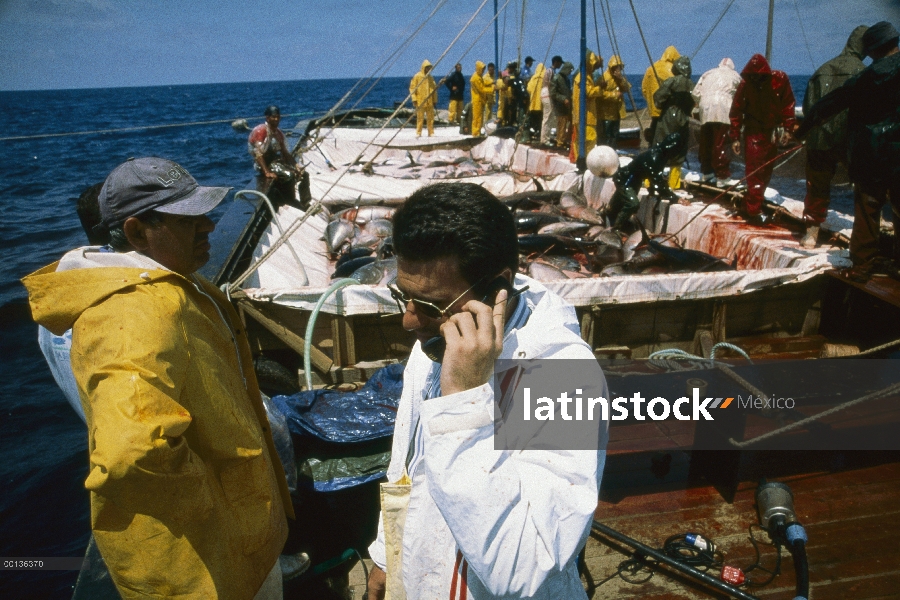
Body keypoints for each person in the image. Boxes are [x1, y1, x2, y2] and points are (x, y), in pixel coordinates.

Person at [23, 157, 294, 600]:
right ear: (134, 233)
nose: (208, 227)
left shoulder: (162, 288)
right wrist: (219, 511)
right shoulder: (137, 313)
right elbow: (132, 450)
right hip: (213, 562)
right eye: (187, 220)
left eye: (203, 214)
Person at [365, 182, 608, 599]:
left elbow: (524, 569)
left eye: (430, 305)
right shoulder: (440, 337)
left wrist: (463, 401)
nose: (408, 321)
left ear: (498, 287)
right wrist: (387, 558)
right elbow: (409, 460)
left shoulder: (559, 376)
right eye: (403, 297)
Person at [796, 21, 900, 273]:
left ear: (873, 50)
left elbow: (830, 103)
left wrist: (801, 130)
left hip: (870, 154)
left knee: (867, 208)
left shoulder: (866, 77)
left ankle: (862, 267)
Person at [798, 26, 869, 248]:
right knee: (865, 189)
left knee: (817, 187)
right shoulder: (865, 72)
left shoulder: (822, 69)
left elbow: (810, 108)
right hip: (849, 139)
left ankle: (811, 235)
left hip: (819, 138)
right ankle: (863, 237)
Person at [729, 54, 797, 224]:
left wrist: (788, 129)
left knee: (766, 172)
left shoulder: (780, 80)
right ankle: (753, 211)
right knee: (754, 172)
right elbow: (736, 111)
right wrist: (735, 137)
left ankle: (752, 203)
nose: (756, 80)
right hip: (753, 132)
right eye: (753, 77)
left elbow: (788, 104)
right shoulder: (745, 85)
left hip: (772, 132)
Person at [607, 133, 684, 231]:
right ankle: (616, 228)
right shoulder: (655, 157)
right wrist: (674, 198)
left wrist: (651, 190)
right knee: (632, 204)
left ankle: (611, 215)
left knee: (621, 201)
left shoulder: (662, 155)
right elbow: (658, 182)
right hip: (626, 179)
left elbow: (653, 176)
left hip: (635, 180)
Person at [692, 57, 743, 188]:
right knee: (721, 142)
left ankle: (707, 172)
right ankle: (722, 176)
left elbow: (695, 93)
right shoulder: (735, 76)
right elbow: (742, 95)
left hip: (705, 107)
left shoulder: (708, 73)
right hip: (724, 107)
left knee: (706, 141)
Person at [653, 56, 695, 190]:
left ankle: (651, 180)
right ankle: (674, 183)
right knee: (679, 150)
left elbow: (658, 98)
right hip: (683, 117)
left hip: (668, 116)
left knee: (660, 146)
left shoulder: (670, 81)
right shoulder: (691, 84)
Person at [642, 46, 681, 144]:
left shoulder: (650, 68)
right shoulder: (671, 69)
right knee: (666, 137)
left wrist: (650, 102)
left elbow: (644, 89)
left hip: (654, 109)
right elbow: (677, 88)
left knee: (654, 132)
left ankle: (652, 150)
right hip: (666, 110)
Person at [571, 51, 605, 161]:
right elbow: (589, 92)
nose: (594, 68)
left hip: (581, 115)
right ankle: (586, 163)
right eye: (593, 65)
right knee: (589, 140)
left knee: (581, 140)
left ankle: (581, 161)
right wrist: (600, 87)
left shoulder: (582, 76)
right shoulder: (583, 77)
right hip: (586, 115)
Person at [248, 105, 298, 179]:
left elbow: (284, 152)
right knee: (289, 176)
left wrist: (296, 165)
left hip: (275, 161)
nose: (276, 119)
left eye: (278, 117)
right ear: (268, 118)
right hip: (263, 164)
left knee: (301, 173)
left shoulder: (278, 133)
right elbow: (258, 154)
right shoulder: (261, 131)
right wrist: (266, 172)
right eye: (273, 117)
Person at [597, 55, 631, 149]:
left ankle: (613, 151)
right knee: (605, 136)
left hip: (616, 113)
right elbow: (600, 93)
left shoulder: (619, 79)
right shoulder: (604, 78)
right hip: (605, 114)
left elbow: (627, 88)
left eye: (619, 68)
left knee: (614, 135)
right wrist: (614, 95)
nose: (617, 69)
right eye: (616, 67)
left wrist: (621, 79)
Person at [410, 59, 439, 137]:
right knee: (420, 118)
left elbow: (434, 89)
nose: (428, 69)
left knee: (430, 118)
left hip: (429, 101)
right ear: (424, 68)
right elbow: (412, 88)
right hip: (420, 101)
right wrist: (414, 99)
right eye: (427, 68)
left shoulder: (430, 78)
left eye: (429, 68)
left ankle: (431, 132)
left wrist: (435, 99)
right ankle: (418, 132)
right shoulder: (417, 76)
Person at [551, 61, 575, 148]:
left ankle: (566, 140)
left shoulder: (567, 79)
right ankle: (560, 142)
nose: (570, 72)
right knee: (561, 125)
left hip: (567, 105)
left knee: (571, 123)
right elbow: (553, 93)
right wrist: (563, 99)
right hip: (560, 106)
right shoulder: (556, 78)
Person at [540, 56, 563, 146]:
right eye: (560, 62)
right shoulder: (550, 71)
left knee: (549, 116)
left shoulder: (551, 71)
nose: (560, 65)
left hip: (546, 93)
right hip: (547, 93)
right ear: (556, 62)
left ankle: (547, 137)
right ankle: (544, 139)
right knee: (547, 116)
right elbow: (550, 84)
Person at [470, 60, 494, 136]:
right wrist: (493, 89)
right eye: (482, 69)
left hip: (480, 100)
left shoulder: (479, 77)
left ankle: (478, 131)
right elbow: (482, 89)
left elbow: (483, 83)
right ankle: (475, 133)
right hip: (477, 100)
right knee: (477, 118)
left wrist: (491, 83)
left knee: (480, 117)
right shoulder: (475, 78)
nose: (483, 70)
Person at [526, 62, 546, 142]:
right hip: (540, 104)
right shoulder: (544, 78)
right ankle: (538, 136)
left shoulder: (533, 78)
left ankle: (532, 135)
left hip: (533, 104)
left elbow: (529, 89)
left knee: (533, 121)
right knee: (540, 121)